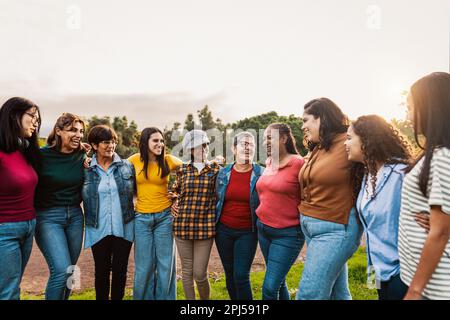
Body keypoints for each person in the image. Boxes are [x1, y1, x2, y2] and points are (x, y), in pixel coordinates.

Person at [297, 98, 362, 300]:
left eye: (306, 120)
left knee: (309, 295)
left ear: (322, 118)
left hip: (335, 230)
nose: (303, 126)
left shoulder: (349, 142)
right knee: (338, 295)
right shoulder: (318, 146)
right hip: (312, 228)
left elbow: (383, 164)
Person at [344, 115, 412, 300]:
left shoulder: (400, 174)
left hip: (403, 272)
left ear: (366, 140)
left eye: (350, 138)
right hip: (377, 268)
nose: (345, 144)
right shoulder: (366, 175)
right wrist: (372, 277)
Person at [399, 72, 450, 300]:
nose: (408, 114)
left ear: (432, 108)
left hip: (436, 285)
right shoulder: (432, 153)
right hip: (421, 277)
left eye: (410, 106)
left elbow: (440, 232)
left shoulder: (442, 156)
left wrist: (415, 290)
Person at [34, 113, 87, 300]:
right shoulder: (41, 155)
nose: (78, 135)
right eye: (73, 130)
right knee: (61, 270)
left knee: (70, 272)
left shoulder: (82, 155)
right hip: (47, 217)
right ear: (58, 131)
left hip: (74, 215)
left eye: (81, 131)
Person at [82, 125, 135, 300]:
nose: (111, 146)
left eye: (113, 142)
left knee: (120, 272)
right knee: (101, 273)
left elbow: (142, 191)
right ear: (95, 145)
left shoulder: (127, 166)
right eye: (106, 142)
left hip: (123, 227)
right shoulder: (86, 169)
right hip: (98, 229)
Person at [128, 127, 182, 300]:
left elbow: (192, 172)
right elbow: (111, 166)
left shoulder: (168, 160)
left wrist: (178, 196)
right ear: (145, 143)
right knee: (144, 267)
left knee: (166, 265)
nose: (160, 144)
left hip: (165, 217)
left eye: (161, 140)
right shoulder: (134, 160)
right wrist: (86, 158)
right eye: (155, 141)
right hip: (141, 218)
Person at [256, 123, 305, 300]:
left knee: (269, 289)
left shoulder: (299, 164)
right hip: (263, 229)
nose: (265, 142)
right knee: (279, 281)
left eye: (270, 138)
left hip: (288, 234)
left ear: (284, 138)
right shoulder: (270, 162)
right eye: (264, 139)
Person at [170, 129, 221, 300]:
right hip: (182, 227)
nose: (204, 148)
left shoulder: (215, 169)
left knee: (199, 274)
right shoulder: (182, 169)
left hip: (205, 229)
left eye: (206, 144)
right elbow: (174, 191)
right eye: (199, 145)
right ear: (191, 149)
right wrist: (174, 200)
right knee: (186, 272)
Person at [215, 132, 264, 300]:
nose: (248, 147)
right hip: (223, 231)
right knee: (230, 274)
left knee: (241, 276)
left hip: (248, 232)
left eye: (251, 144)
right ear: (234, 149)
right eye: (243, 144)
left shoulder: (262, 174)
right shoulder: (223, 173)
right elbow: (214, 198)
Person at [0, 97, 41, 300]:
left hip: (28, 227)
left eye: (37, 118)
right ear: (14, 115)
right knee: (8, 292)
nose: (36, 122)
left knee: (13, 287)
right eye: (32, 116)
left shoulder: (25, 151)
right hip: (4, 230)